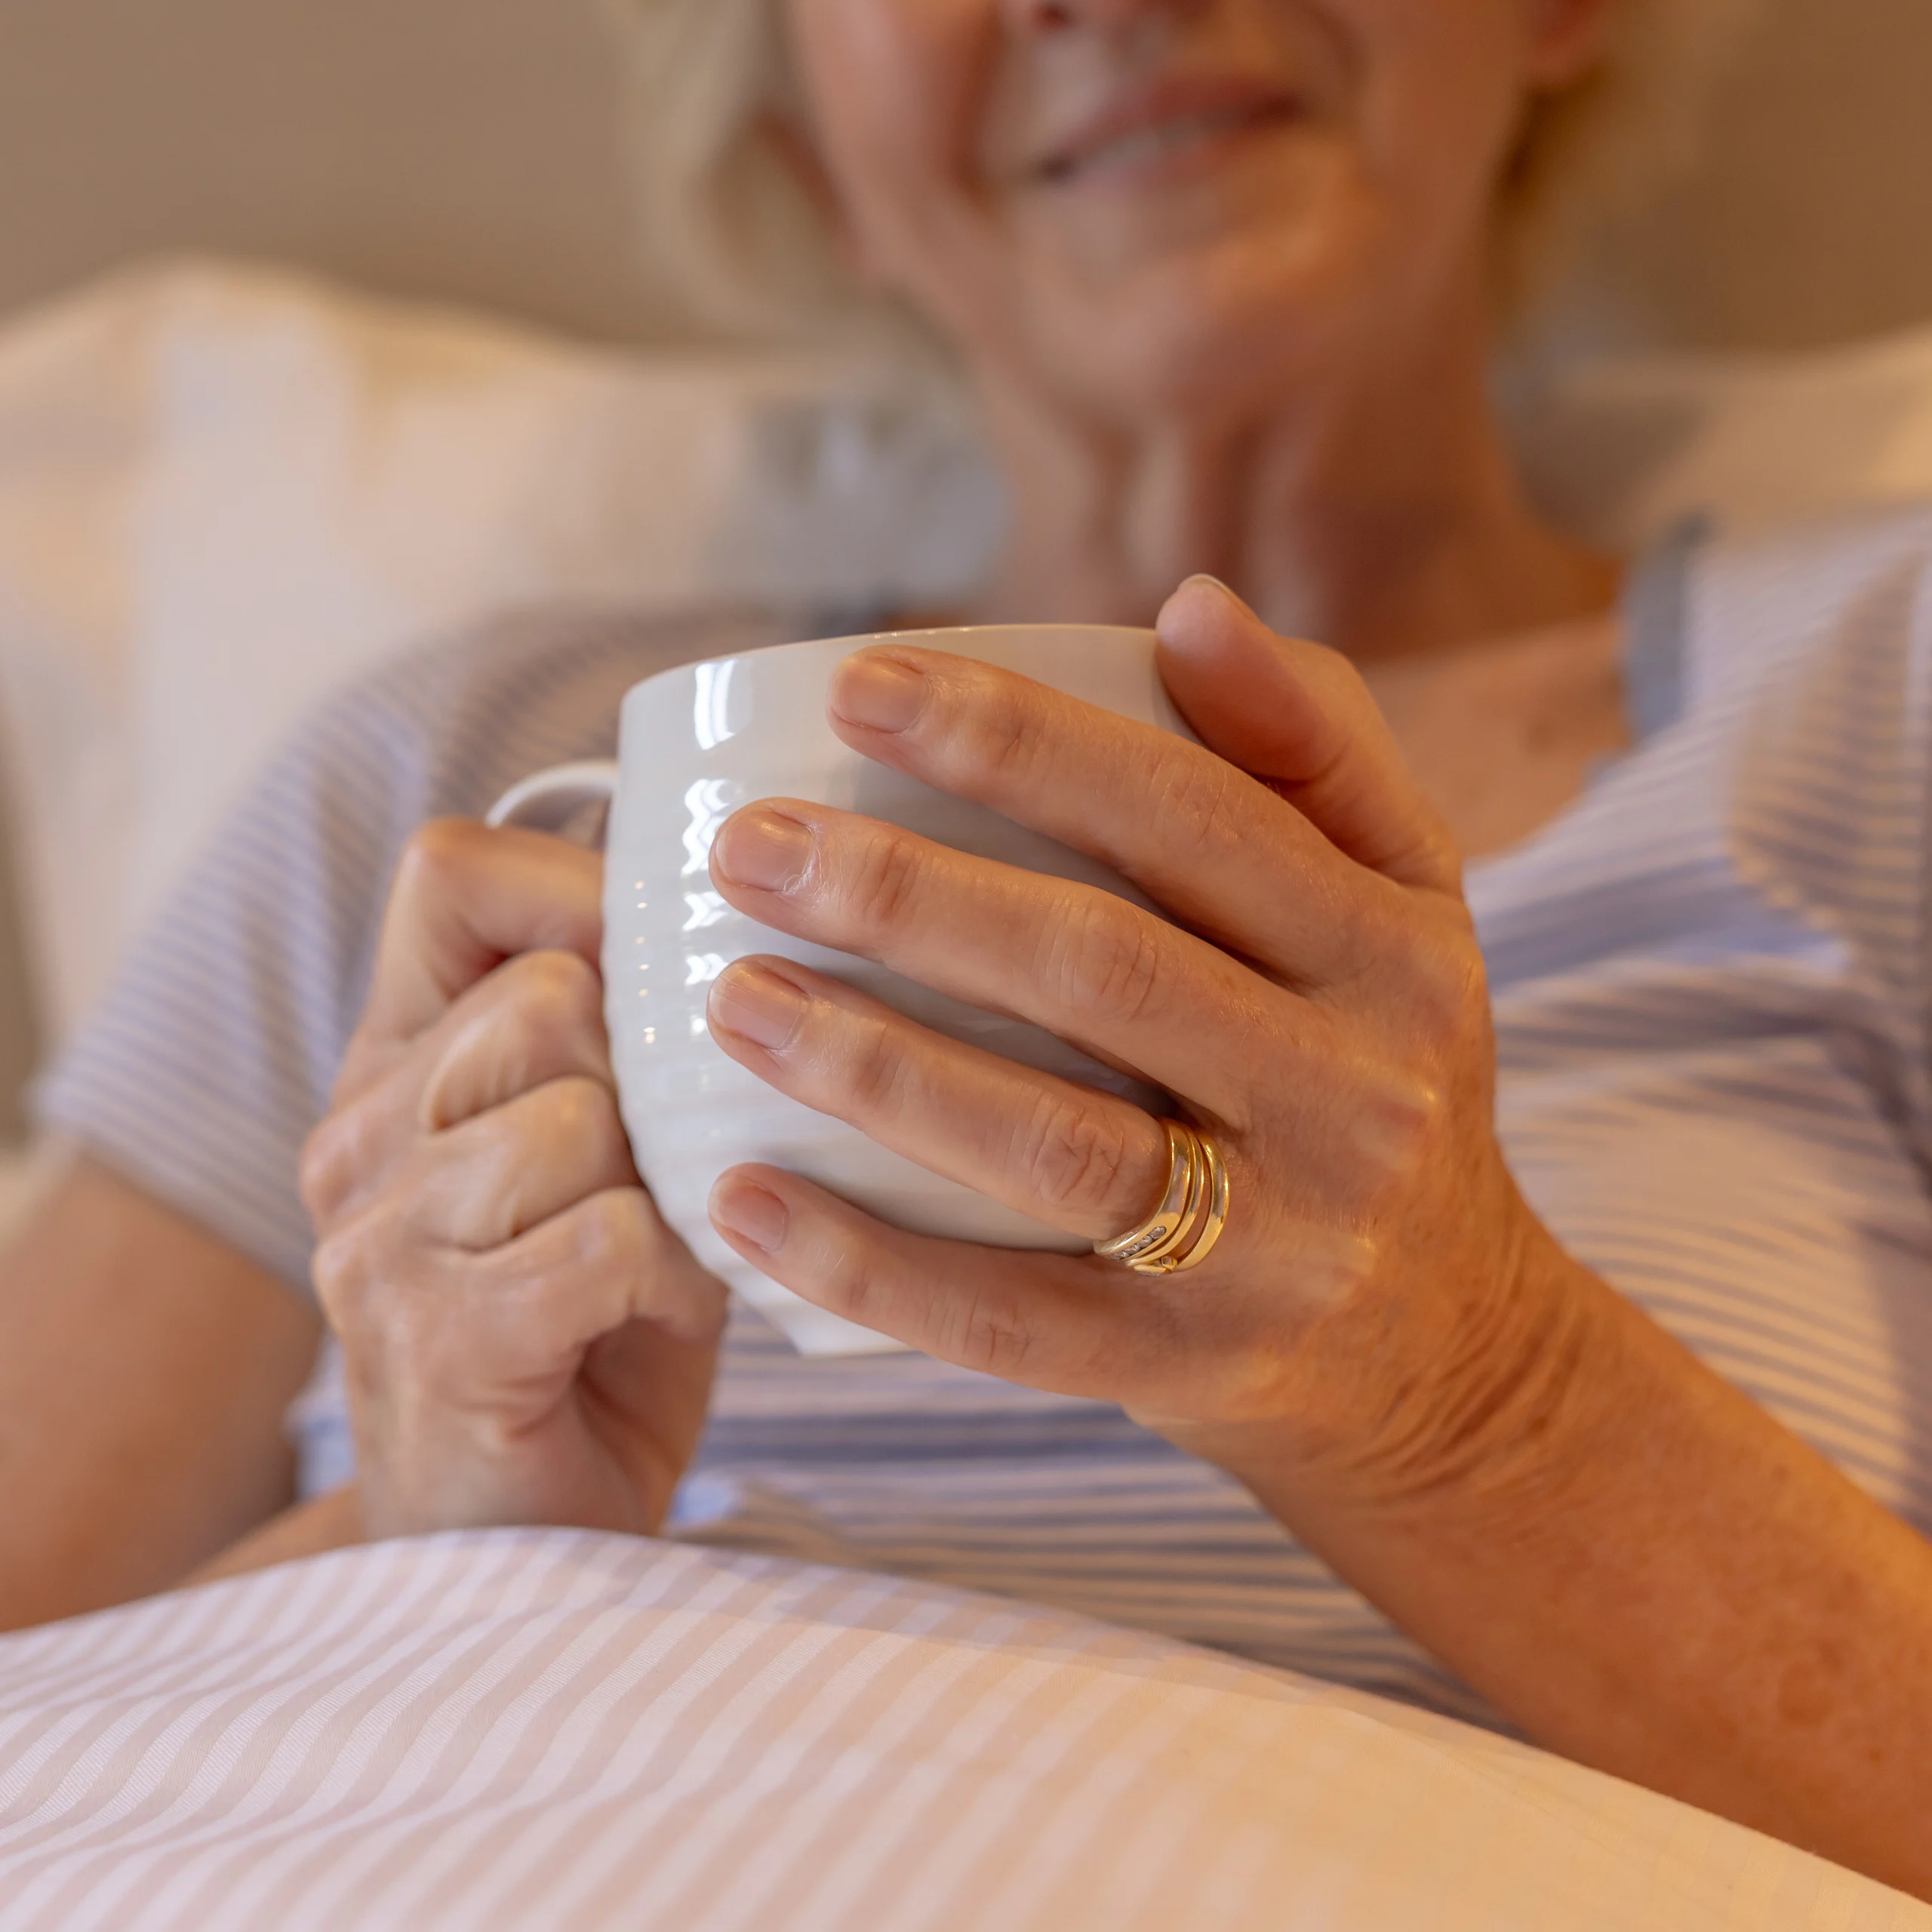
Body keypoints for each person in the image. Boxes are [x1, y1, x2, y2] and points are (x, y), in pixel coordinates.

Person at [7, 0, 1932, 1898]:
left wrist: (1466, 1391)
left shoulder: (1880, 690)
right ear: (807, 151)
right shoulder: (457, 789)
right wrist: (420, 1535)